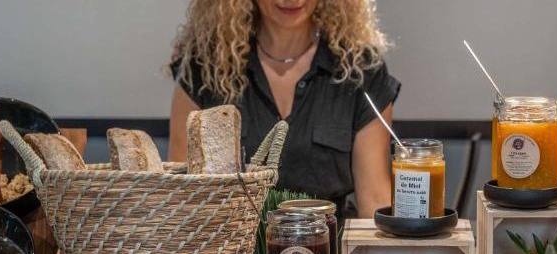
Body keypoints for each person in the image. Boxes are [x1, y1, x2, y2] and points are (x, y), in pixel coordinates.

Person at [169, 0, 399, 218]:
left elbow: (374, 198)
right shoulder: (203, 71)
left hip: (330, 252)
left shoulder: (361, 71)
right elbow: (182, 197)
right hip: (232, 253)